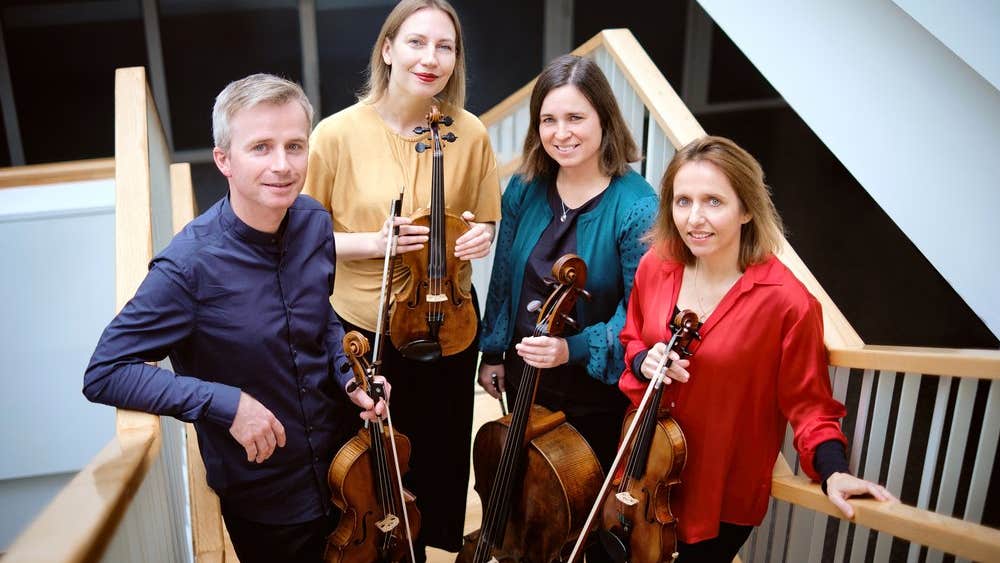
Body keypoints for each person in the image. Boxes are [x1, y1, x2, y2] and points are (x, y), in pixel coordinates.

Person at [83, 74, 386, 563]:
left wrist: (348, 374)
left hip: (347, 471)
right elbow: (105, 372)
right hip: (267, 500)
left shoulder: (314, 222)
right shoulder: (186, 267)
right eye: (261, 147)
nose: (282, 165)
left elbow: (321, 318)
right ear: (224, 159)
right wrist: (226, 404)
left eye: (294, 146)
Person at [618, 135, 895, 562]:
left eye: (713, 201)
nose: (694, 218)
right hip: (643, 472)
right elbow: (632, 337)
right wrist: (642, 359)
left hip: (719, 494)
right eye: (683, 201)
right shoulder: (657, 264)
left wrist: (834, 470)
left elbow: (810, 405)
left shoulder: (787, 303)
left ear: (746, 209)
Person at [302, 0, 501, 558]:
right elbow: (303, 241)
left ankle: (429, 549)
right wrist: (374, 243)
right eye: (417, 42)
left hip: (448, 322)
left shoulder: (469, 132)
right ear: (387, 49)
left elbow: (485, 217)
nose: (431, 58)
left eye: (445, 46)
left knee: (439, 458)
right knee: (371, 466)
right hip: (363, 329)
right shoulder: (334, 136)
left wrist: (481, 236)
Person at [477, 54, 657, 561]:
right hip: (526, 375)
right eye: (549, 120)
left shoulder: (637, 205)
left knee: (578, 518)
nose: (561, 133)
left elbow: (638, 313)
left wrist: (571, 348)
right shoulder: (525, 187)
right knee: (526, 501)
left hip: (592, 388)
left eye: (576, 117)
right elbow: (505, 276)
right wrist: (493, 352)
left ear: (604, 118)